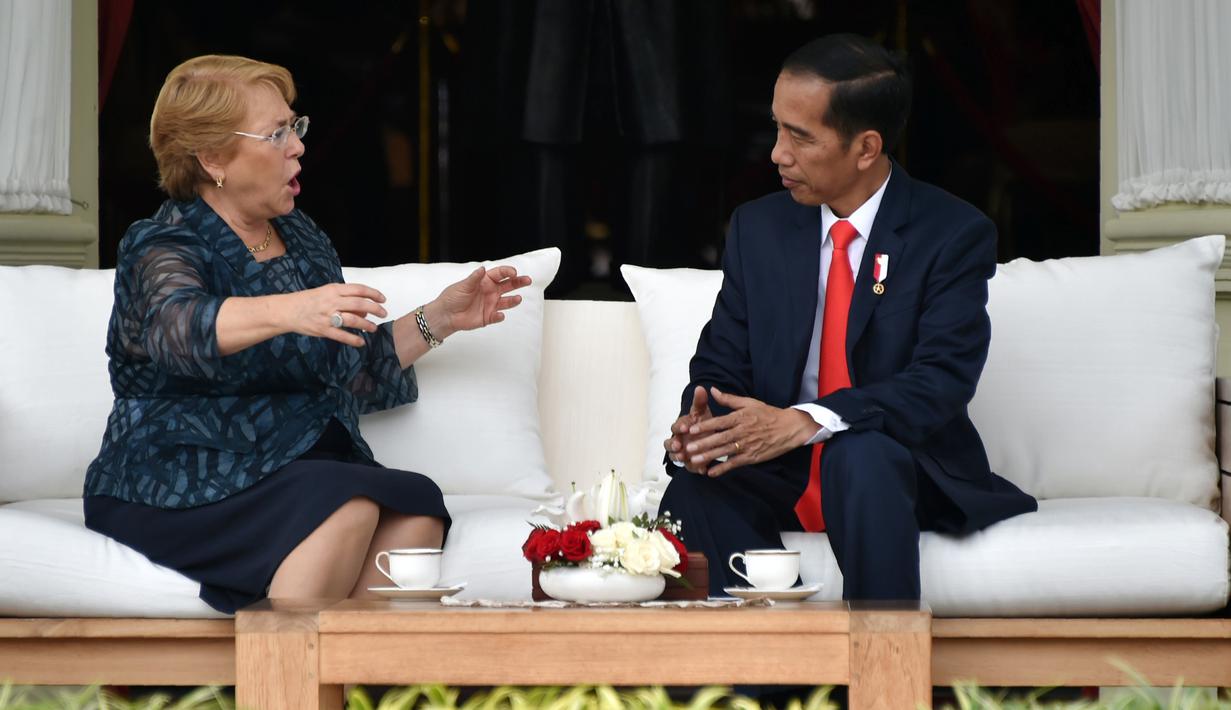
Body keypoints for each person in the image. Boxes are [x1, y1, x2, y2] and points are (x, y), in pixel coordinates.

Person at [83, 55, 531, 614]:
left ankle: (351, 670)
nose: (297, 146)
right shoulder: (162, 243)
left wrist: (439, 318)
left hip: (295, 466)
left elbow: (348, 371)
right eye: (276, 134)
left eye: (295, 126)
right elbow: (179, 329)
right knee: (345, 505)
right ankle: (281, 664)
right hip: (179, 477)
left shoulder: (302, 238)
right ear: (213, 157)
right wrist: (292, 309)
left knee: (415, 506)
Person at [659, 34, 1037, 600]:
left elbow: (940, 381)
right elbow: (721, 363)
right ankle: (771, 653)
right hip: (783, 468)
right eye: (777, 128)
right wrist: (706, 428)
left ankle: (883, 651)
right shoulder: (758, 228)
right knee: (696, 488)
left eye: (800, 136)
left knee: (859, 455)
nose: (777, 153)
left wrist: (808, 420)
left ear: (866, 148)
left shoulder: (951, 233)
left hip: (894, 467)